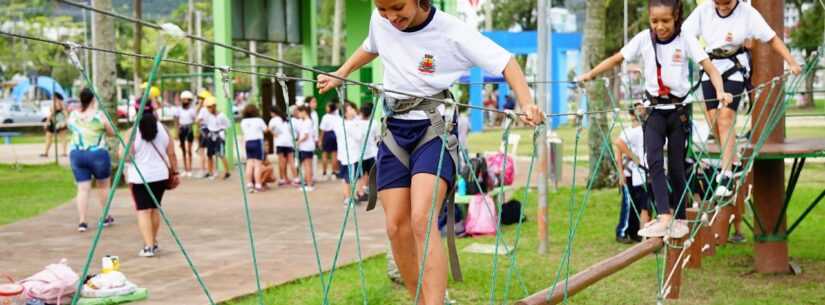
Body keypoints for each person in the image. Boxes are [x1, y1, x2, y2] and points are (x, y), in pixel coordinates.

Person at [316, 0, 543, 303]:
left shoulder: (452, 31)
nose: (390, 17)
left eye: (397, 7)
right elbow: (372, 45)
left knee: (422, 219)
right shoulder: (380, 20)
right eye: (383, 9)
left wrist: (526, 103)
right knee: (396, 226)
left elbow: (505, 62)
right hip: (395, 131)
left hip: (433, 130)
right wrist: (342, 72)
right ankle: (420, 300)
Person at [578, 0, 732, 238]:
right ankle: (664, 216)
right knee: (654, 162)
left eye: (665, 21)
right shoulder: (643, 39)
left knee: (679, 167)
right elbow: (616, 58)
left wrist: (720, 91)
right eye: (654, 21)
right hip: (653, 110)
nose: (660, 26)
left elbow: (710, 68)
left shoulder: (685, 40)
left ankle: (679, 217)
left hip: (678, 111)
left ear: (676, 17)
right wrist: (591, 74)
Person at [682, 0, 801, 199]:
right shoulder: (703, 11)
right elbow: (685, 33)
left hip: (734, 67)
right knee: (714, 124)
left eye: (727, 3)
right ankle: (732, 160)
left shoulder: (747, 13)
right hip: (710, 67)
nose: (723, 7)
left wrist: (791, 61)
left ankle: (726, 173)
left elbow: (772, 39)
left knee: (725, 119)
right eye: (718, 3)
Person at [124, 104, 177, 257]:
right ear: (153, 110)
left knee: (143, 211)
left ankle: (148, 246)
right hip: (160, 175)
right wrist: (175, 172)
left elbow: (124, 155)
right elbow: (171, 153)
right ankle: (153, 242)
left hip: (139, 176)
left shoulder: (132, 132)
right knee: (154, 208)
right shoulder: (164, 129)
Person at [67, 88, 116, 232]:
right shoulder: (99, 116)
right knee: (103, 186)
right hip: (98, 154)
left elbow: (72, 127)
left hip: (77, 154)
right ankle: (105, 216)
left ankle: (82, 221)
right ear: (94, 99)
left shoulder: (73, 115)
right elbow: (112, 132)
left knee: (82, 188)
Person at [613, 103, 650, 243]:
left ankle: (634, 232)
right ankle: (622, 231)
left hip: (637, 173)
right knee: (628, 204)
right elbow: (618, 149)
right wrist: (621, 173)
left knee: (638, 204)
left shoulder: (642, 130)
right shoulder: (628, 131)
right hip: (628, 172)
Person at [335, 101, 366, 204]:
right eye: (350, 109)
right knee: (349, 178)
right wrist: (358, 122)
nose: (353, 110)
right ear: (345, 113)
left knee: (347, 178)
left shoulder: (341, 123)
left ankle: (348, 197)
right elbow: (360, 136)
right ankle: (348, 198)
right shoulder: (350, 125)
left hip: (345, 156)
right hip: (351, 156)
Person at [201, 96, 231, 180]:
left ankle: (226, 171)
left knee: (221, 154)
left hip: (219, 136)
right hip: (211, 135)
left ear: (215, 106)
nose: (209, 109)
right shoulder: (208, 116)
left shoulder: (222, 116)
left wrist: (223, 132)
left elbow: (228, 125)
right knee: (209, 154)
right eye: (208, 107)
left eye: (211, 106)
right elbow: (205, 124)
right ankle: (210, 172)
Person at [240, 104, 268, 192]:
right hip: (257, 142)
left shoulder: (243, 121)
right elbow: (266, 130)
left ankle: (249, 184)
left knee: (249, 163)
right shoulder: (259, 120)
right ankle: (258, 184)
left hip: (248, 142)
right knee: (257, 164)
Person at [269, 107, 298, 186]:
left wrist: (274, 134)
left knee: (282, 162)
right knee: (291, 161)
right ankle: (296, 178)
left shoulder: (273, 120)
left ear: (273, 112)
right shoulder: (286, 119)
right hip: (289, 142)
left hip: (280, 143)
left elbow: (269, 129)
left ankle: (282, 179)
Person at [358, 102, 379, 201]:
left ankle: (361, 192)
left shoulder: (357, 123)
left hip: (360, 154)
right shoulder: (374, 122)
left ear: (361, 112)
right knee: (372, 174)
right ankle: (371, 192)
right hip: (372, 153)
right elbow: (377, 137)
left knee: (362, 174)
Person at [174, 90, 197, 177]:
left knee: (189, 150)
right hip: (181, 129)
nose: (185, 101)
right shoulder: (178, 109)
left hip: (189, 129)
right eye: (184, 99)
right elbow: (176, 120)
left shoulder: (192, 110)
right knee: (183, 150)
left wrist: (192, 125)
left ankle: (190, 169)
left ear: (190, 101)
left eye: (187, 99)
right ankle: (185, 169)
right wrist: (177, 131)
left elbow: (195, 120)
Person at [294, 105, 316, 191]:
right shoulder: (306, 121)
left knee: (307, 166)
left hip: (306, 147)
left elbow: (306, 136)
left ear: (304, 112)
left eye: (299, 112)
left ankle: (309, 185)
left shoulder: (307, 121)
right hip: (306, 146)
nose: (298, 114)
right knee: (308, 166)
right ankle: (308, 183)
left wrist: (297, 142)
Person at [42, 93, 68, 158]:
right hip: (59, 122)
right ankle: (64, 152)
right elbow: (65, 113)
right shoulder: (62, 103)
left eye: (53, 96)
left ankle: (46, 153)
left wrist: (47, 121)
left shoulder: (57, 103)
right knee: (62, 138)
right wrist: (67, 121)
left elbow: (52, 113)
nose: (51, 96)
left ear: (56, 96)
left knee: (50, 138)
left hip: (57, 122)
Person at [319, 102, 340, 181]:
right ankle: (334, 173)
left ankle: (324, 173)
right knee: (334, 155)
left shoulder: (325, 117)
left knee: (325, 155)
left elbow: (322, 130)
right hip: (335, 135)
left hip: (327, 135)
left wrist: (320, 140)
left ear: (329, 108)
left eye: (327, 106)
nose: (326, 107)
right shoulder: (338, 117)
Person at [195, 89, 212, 177]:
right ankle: (210, 171)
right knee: (208, 153)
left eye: (201, 98)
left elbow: (197, 121)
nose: (199, 100)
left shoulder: (203, 110)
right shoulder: (209, 109)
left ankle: (204, 170)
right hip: (208, 131)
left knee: (203, 152)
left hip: (204, 131)